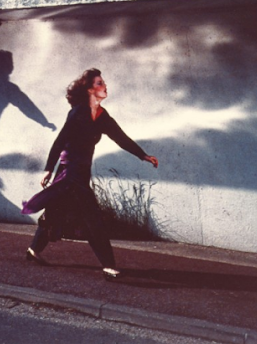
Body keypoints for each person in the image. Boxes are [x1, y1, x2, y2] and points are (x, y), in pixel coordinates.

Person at [21, 68, 158, 280]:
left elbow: (121, 138)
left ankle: (33, 250)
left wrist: (143, 156)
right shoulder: (78, 112)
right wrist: (49, 169)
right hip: (70, 171)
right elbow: (60, 140)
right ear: (89, 90)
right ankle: (109, 266)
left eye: (103, 83)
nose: (104, 86)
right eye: (99, 83)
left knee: (56, 211)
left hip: (81, 172)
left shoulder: (103, 117)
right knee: (92, 217)